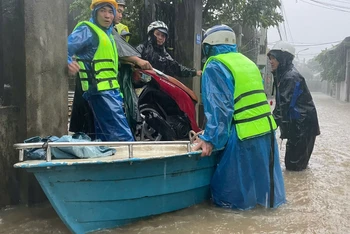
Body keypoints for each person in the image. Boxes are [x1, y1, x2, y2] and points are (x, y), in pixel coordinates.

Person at [192, 25, 286, 210]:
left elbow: (220, 108)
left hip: (244, 137)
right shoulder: (247, 62)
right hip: (266, 134)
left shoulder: (215, 65)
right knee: (261, 194)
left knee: (228, 198)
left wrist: (210, 139)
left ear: (209, 45)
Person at [67, 0, 135, 141]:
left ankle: (108, 160)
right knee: (122, 136)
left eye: (110, 11)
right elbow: (65, 48)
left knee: (104, 136)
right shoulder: (88, 30)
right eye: (102, 11)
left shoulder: (108, 34)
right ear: (95, 12)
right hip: (99, 91)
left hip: (111, 91)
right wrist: (69, 62)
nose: (107, 16)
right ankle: (128, 162)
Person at [267, 41, 320, 171]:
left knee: (294, 167)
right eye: (270, 58)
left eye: (274, 58)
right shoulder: (283, 75)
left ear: (283, 58)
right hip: (297, 126)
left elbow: (283, 105)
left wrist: (269, 127)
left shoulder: (291, 77)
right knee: (295, 166)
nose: (271, 61)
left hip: (302, 127)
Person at [136, 21, 202, 78]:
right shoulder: (142, 48)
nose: (160, 38)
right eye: (157, 34)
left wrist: (195, 72)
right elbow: (131, 62)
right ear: (151, 34)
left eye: (163, 36)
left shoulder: (165, 54)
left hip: (158, 86)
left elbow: (177, 68)